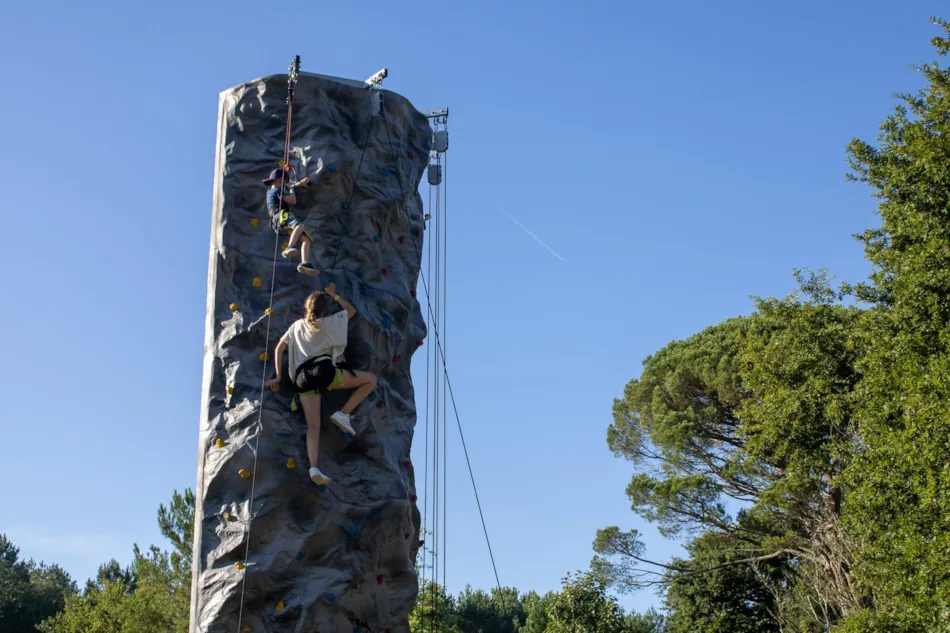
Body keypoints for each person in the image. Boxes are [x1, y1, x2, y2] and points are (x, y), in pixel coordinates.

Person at [267, 283, 378, 486]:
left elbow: (279, 349)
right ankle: (343, 413)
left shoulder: (296, 326)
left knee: (313, 426)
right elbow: (351, 311)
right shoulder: (327, 324)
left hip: (303, 379)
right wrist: (334, 295)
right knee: (370, 380)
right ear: (323, 309)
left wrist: (277, 376)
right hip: (325, 373)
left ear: (306, 307)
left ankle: (314, 467)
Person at [263, 167, 320, 276]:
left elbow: (287, 190)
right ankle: (290, 247)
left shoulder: (274, 191)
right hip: (280, 216)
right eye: (285, 181)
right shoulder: (275, 191)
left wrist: (298, 184)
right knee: (300, 225)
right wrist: (291, 189)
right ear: (280, 180)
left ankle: (305, 263)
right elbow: (292, 200)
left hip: (280, 221)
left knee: (306, 239)